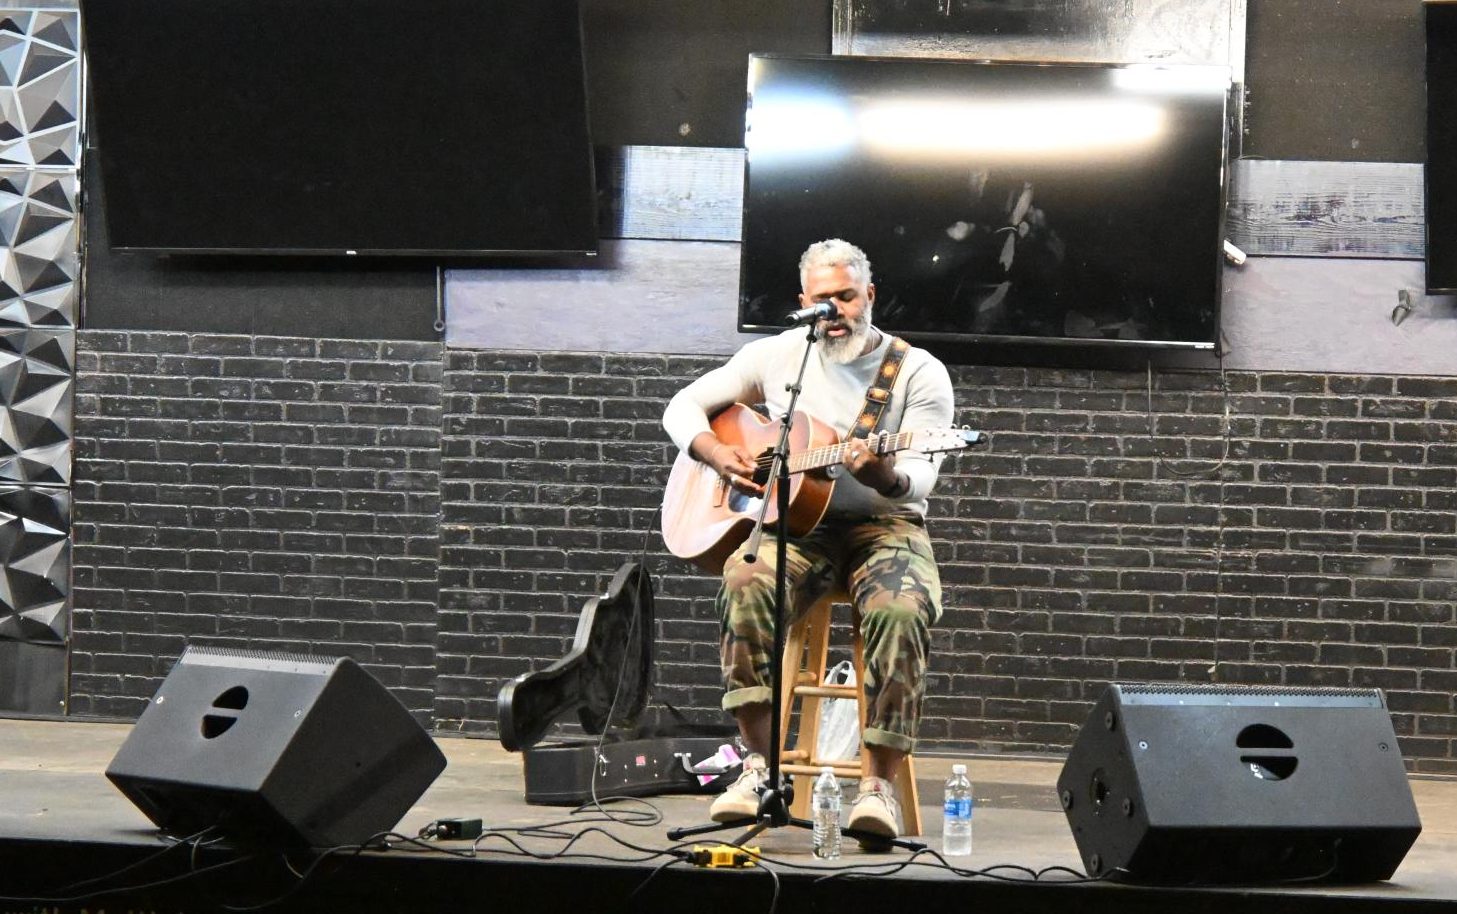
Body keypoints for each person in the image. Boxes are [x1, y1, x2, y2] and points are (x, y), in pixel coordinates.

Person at [661, 238, 955, 844]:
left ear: (869, 295)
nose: (837, 310)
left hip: (886, 527)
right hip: (799, 528)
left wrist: (882, 473)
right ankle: (761, 770)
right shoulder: (777, 356)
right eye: (824, 300)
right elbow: (683, 405)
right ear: (803, 302)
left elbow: (922, 472)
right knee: (743, 578)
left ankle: (876, 788)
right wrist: (717, 453)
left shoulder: (917, 370)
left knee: (902, 609)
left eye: (847, 297)